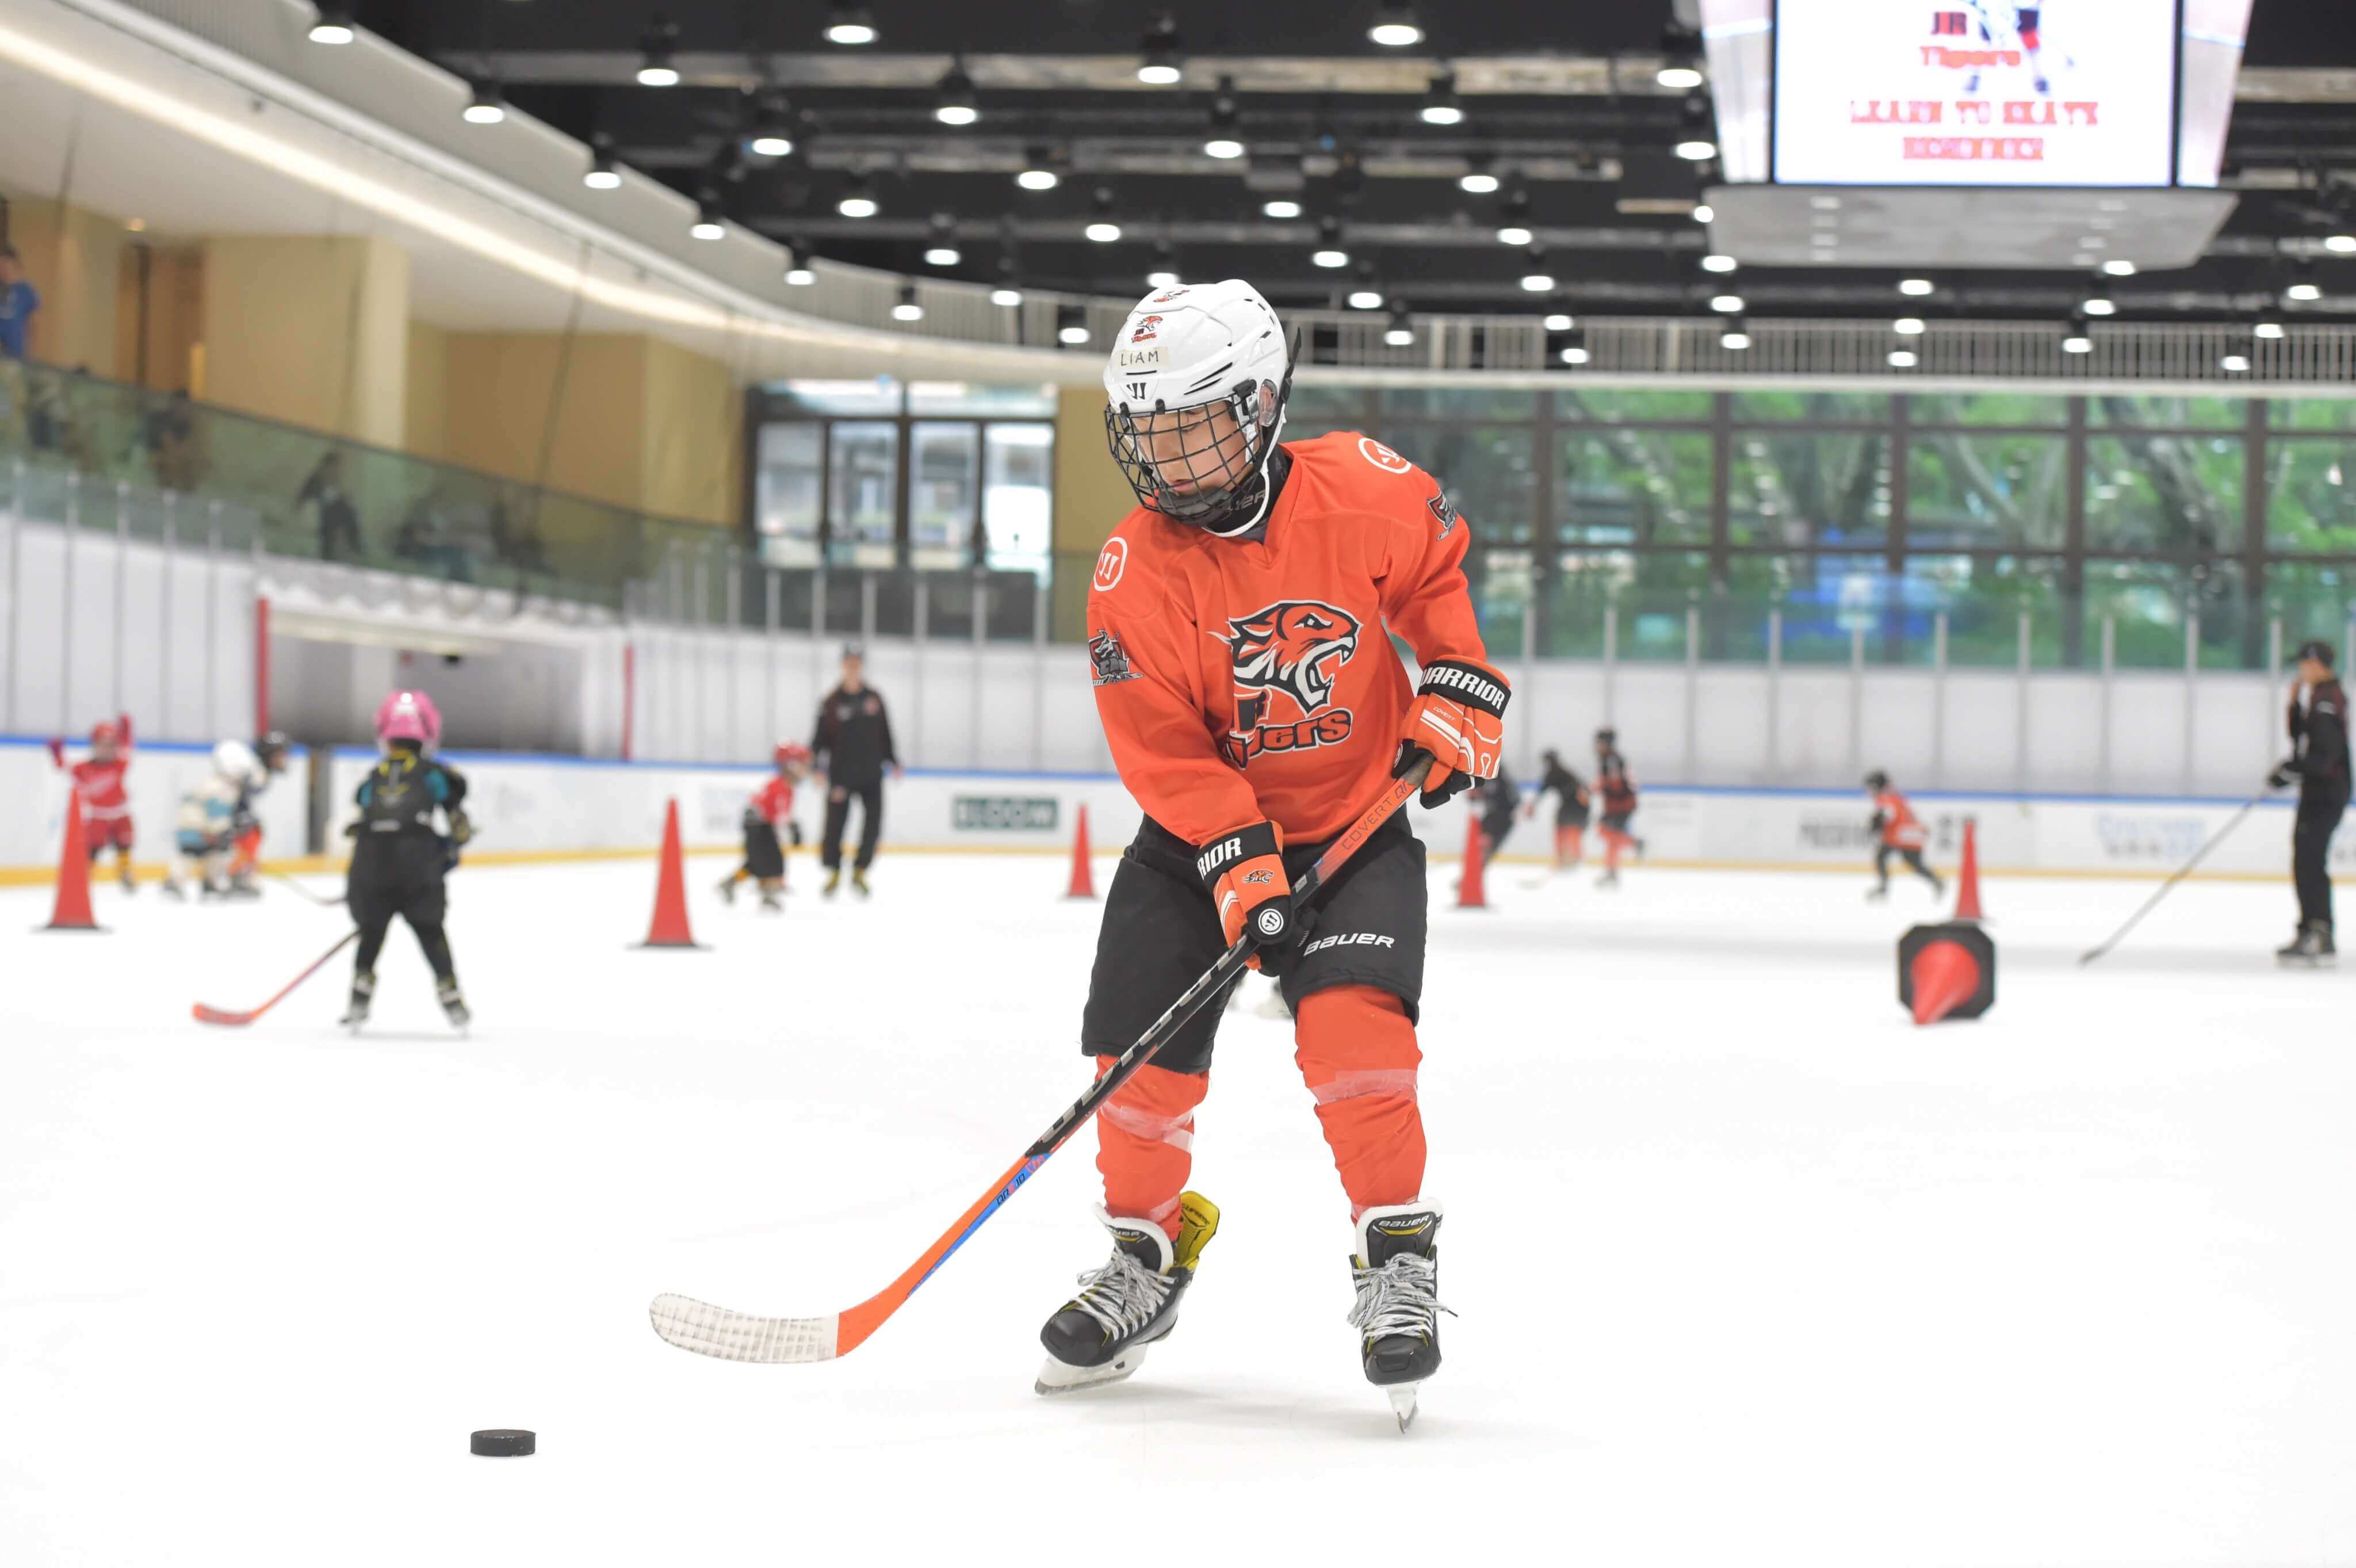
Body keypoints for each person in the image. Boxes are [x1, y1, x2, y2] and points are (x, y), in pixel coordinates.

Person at [1039, 277, 1509, 1426]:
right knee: (1133, 1068)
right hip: (1194, 845)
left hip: (1350, 828)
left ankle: (1394, 1259)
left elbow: (1438, 585)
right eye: (1147, 431)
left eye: (1193, 425)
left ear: (1259, 404)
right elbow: (1162, 751)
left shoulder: (1365, 489)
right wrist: (1242, 868)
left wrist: (1458, 682)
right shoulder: (1130, 572)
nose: (1169, 457)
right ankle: (1145, 1256)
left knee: (1357, 1046)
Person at [342, 690, 473, 1029]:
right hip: (418, 869)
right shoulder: (434, 773)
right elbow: (458, 821)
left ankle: (359, 995)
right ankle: (450, 993)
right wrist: (452, 846)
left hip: (370, 868)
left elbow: (363, 810)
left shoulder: (375, 775)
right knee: (431, 931)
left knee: (371, 934)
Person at [2269, 639, 2349, 964]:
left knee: (2310, 861)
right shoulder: (2319, 697)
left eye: (2303, 663)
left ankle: (2319, 932)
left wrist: (2292, 771)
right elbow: (2303, 739)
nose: (2300, 670)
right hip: (2318, 793)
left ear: (2316, 664)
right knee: (2305, 859)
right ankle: (2310, 930)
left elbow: (2324, 755)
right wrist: (2294, 707)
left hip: (2326, 795)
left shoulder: (2329, 699)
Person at [809, 644, 899, 897]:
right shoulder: (831, 701)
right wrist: (817, 767)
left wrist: (893, 759)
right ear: (843, 665)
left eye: (857, 663)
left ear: (861, 666)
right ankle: (834, 870)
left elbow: (885, 734)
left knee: (873, 824)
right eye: (849, 662)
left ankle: (861, 869)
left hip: (871, 774)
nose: (853, 667)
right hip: (841, 775)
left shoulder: (874, 699)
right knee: (835, 824)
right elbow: (818, 739)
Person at [163, 740, 262, 899]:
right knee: (190, 853)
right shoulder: (222, 787)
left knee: (214, 854)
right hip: (196, 827)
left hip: (198, 826)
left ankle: (209, 881)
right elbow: (217, 811)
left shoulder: (223, 785)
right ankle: (175, 881)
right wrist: (222, 831)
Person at [48, 715, 136, 892]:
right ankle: (86, 878)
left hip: (120, 814)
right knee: (92, 849)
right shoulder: (83, 768)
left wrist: (127, 731)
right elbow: (63, 766)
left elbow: (128, 748)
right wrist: (57, 753)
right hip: (97, 816)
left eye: (112, 746)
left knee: (124, 844)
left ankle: (125, 872)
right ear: (94, 745)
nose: (107, 750)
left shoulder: (120, 764)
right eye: (103, 745)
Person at [720, 743, 810, 911]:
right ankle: (769, 893)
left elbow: (778, 814)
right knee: (774, 862)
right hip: (759, 827)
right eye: (803, 765)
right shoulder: (779, 786)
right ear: (791, 765)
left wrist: (791, 826)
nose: (806, 770)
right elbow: (772, 812)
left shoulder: (785, 787)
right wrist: (791, 827)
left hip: (761, 826)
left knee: (757, 863)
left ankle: (731, 884)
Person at [222, 730, 293, 897]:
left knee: (252, 831)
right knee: (248, 833)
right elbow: (233, 794)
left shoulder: (260, 772)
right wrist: (236, 815)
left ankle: (239, 873)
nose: (283, 759)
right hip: (220, 814)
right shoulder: (255, 772)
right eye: (280, 754)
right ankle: (235, 875)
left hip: (228, 813)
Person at [1864, 770, 1944, 901]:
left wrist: (1878, 821)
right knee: (1912, 864)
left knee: (1884, 858)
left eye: (1870, 788)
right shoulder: (1893, 795)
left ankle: (1883, 888)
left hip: (1903, 836)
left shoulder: (1885, 798)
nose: (1868, 792)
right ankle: (1937, 882)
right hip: (1909, 835)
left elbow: (1889, 814)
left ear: (1875, 786)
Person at [1593, 727, 1642, 888]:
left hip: (1621, 805)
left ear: (1608, 744)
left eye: (1600, 743)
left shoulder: (1612, 760)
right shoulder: (1609, 759)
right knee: (1611, 837)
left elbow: (1615, 784)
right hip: (1618, 805)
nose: (1596, 747)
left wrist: (1596, 788)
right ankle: (1612, 872)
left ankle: (1633, 844)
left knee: (1608, 834)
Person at [1527, 747, 1591, 872]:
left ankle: (1567, 859)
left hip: (1576, 805)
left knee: (1567, 830)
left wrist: (1532, 806)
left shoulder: (1554, 773)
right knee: (1570, 829)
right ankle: (1569, 858)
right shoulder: (1564, 772)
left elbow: (1541, 791)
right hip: (1579, 806)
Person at [300, 451, 363, 563]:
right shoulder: (312, 489)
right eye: (331, 469)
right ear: (323, 468)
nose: (334, 473)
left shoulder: (341, 495)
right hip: (319, 541)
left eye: (336, 470)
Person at [0, 245, 39, 361]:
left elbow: (34, 324)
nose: (3, 268)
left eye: (6, 264)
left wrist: (31, 352)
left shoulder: (26, 291)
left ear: (15, 265)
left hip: (15, 351)